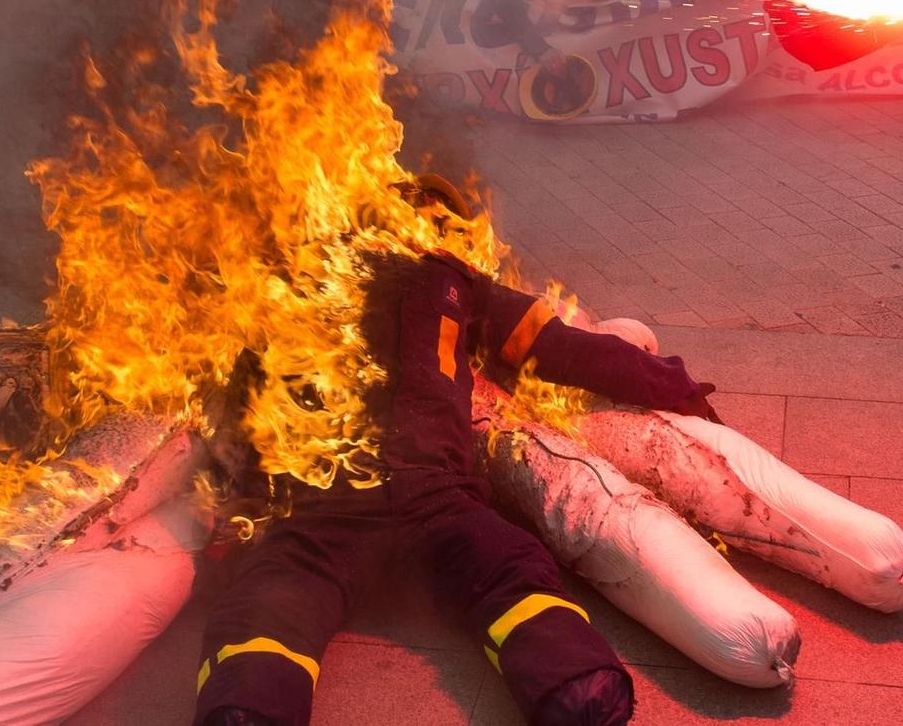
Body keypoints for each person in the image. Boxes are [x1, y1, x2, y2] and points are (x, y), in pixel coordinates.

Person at [195, 210, 720, 726]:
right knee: (509, 570)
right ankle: (579, 693)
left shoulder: (291, 285)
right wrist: (679, 390)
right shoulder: (448, 280)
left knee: (269, 606)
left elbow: (243, 415)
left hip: (328, 509)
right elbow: (565, 350)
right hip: (424, 501)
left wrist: (237, 515)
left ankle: (247, 710)